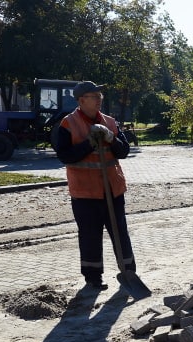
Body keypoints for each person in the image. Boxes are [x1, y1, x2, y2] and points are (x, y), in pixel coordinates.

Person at [55, 81, 135, 291]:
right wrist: (89, 143)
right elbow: (65, 156)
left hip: (112, 189)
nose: (100, 99)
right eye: (94, 96)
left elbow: (124, 152)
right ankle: (93, 278)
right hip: (85, 192)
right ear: (81, 100)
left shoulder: (110, 121)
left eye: (100, 95)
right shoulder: (67, 124)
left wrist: (111, 138)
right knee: (90, 235)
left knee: (120, 232)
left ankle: (129, 271)